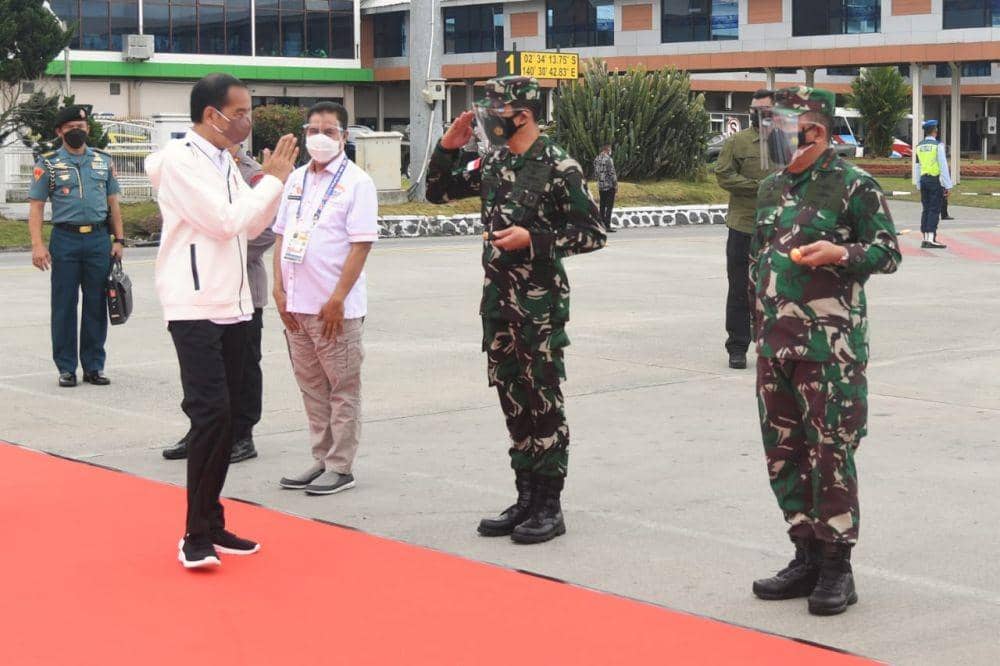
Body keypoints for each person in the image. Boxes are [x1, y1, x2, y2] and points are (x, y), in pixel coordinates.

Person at [426, 76, 606, 544]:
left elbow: (593, 233)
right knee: (512, 398)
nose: (488, 118)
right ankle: (525, 496)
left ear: (522, 115)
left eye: (496, 111)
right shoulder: (495, 161)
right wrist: (447, 149)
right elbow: (438, 194)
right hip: (497, 303)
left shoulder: (559, 165)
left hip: (539, 306)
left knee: (542, 400)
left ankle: (549, 503)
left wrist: (535, 240)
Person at [749, 87, 900, 616]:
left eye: (777, 123)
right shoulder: (770, 187)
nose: (768, 132)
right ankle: (806, 555)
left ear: (813, 129)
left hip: (828, 347)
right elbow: (758, 259)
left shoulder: (854, 185)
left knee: (830, 453)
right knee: (783, 453)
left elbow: (887, 251)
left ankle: (837, 566)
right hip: (775, 345)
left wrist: (841, 252)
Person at [145, 73, 298, 569]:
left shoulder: (223, 160)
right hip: (194, 304)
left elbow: (250, 226)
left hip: (233, 302)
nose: (247, 121)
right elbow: (223, 221)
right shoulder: (180, 161)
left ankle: (211, 521)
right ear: (212, 115)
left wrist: (270, 187)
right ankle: (194, 535)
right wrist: (270, 181)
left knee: (228, 417)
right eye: (241, 112)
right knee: (209, 414)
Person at [275, 102, 378, 496]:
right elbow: (282, 235)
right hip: (296, 306)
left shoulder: (357, 183)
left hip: (334, 308)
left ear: (344, 137)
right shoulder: (296, 179)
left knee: (342, 388)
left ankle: (340, 466)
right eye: (313, 130)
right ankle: (321, 458)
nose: (320, 137)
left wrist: (338, 298)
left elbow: (360, 245)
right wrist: (278, 289)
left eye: (329, 131)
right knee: (312, 389)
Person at [161, 145, 273, 464]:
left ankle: (241, 434)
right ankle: (203, 430)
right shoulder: (196, 169)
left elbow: (267, 231)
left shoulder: (251, 174)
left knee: (243, 367)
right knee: (201, 369)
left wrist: (225, 251)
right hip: (203, 291)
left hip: (243, 290)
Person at [27, 105, 124, 387]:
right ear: (60, 132)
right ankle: (66, 368)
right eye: (70, 127)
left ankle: (94, 366)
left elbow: (113, 203)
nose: (76, 131)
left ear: (88, 129)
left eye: (81, 127)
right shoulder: (48, 164)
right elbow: (36, 207)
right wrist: (37, 245)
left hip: (98, 240)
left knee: (97, 304)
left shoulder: (103, 161)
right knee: (64, 305)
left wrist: (119, 239)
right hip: (65, 240)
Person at [715, 89, 776, 370]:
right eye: (754, 109)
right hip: (743, 226)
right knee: (739, 288)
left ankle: (774, 345)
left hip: (778, 228)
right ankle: (737, 347)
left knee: (778, 289)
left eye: (763, 109)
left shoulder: (786, 143)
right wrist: (756, 188)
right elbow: (723, 174)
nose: (756, 114)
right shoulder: (737, 142)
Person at [914, 119, 952, 249]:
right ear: (935, 131)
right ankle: (931, 239)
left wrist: (918, 184)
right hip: (935, 181)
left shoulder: (919, 146)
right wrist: (947, 185)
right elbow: (943, 166)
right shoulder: (938, 145)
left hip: (923, 180)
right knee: (934, 209)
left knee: (926, 209)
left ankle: (925, 238)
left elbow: (917, 166)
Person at [593, 144, 618, 232]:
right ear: (607, 150)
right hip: (609, 186)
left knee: (602, 206)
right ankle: (607, 225)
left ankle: (601, 225)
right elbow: (612, 173)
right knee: (609, 206)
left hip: (601, 186)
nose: (611, 152)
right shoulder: (608, 159)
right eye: (610, 150)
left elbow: (596, 173)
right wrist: (615, 184)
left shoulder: (596, 159)